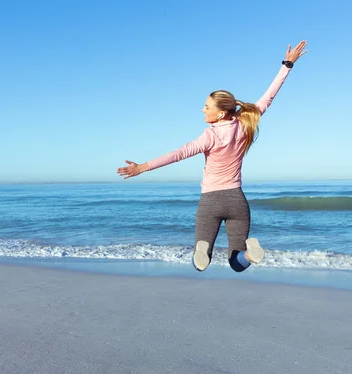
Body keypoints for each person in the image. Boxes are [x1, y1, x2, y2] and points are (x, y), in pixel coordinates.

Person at [117, 40, 307, 272]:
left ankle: (202, 249)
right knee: (237, 262)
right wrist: (287, 65)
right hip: (237, 201)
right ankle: (249, 253)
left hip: (210, 201)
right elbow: (269, 96)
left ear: (220, 114)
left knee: (200, 262)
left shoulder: (210, 136)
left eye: (207, 107)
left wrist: (142, 167)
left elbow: (178, 154)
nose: (202, 110)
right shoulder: (245, 124)